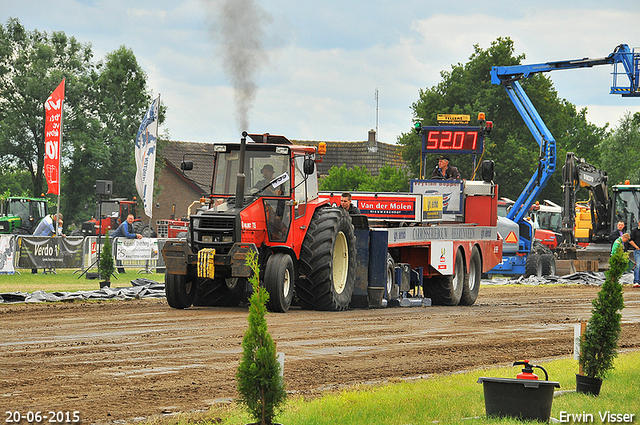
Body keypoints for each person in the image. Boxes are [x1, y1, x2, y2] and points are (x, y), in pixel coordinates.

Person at [628, 220, 640, 288]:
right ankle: (636, 281)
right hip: (638, 251)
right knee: (638, 265)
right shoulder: (634, 231)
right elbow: (631, 240)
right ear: (638, 223)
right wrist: (637, 247)